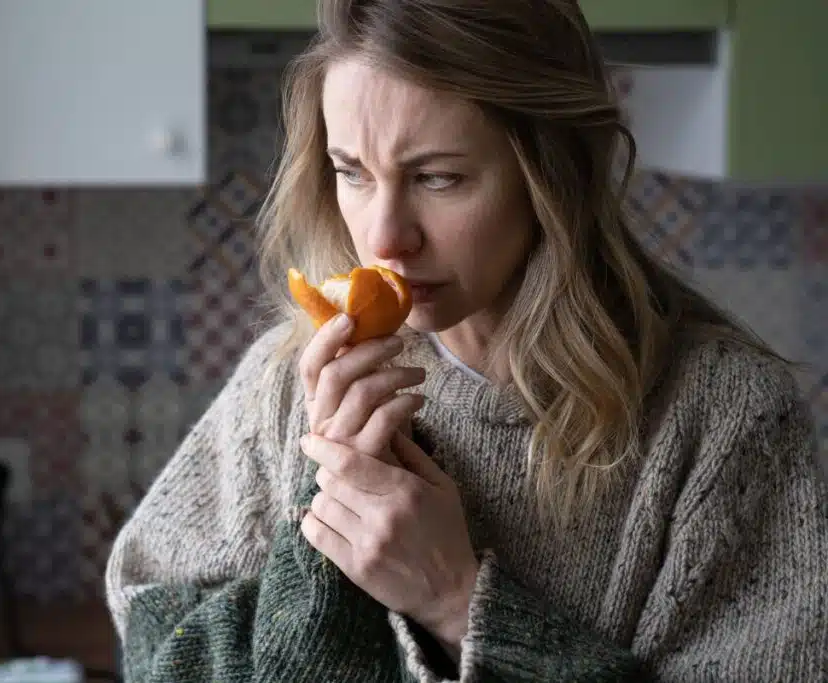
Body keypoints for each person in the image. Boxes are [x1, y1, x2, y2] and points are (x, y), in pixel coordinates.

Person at [105, 0, 828, 680]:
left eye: (439, 178)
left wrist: (457, 599)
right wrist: (319, 540)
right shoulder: (286, 378)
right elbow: (154, 636)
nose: (385, 237)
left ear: (551, 174)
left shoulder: (727, 420)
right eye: (351, 173)